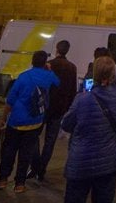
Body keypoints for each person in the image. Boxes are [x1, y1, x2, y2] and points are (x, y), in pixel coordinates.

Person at [60, 55, 116, 203]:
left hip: (81, 162)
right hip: (109, 162)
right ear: (113, 74)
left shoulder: (82, 99)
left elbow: (66, 124)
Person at [0, 50, 60, 192]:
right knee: (26, 153)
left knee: (9, 151)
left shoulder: (24, 77)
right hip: (35, 121)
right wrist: (49, 70)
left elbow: (10, 101)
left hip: (17, 120)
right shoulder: (48, 76)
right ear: (45, 63)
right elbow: (57, 82)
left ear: (32, 61)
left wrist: (3, 118)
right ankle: (20, 183)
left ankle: (3, 179)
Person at [36, 39, 79, 182]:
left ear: (57, 49)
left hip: (45, 106)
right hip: (59, 109)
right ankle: (41, 168)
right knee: (50, 141)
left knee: (34, 136)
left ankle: (35, 165)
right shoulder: (72, 67)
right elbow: (72, 91)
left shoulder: (49, 65)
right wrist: (68, 108)